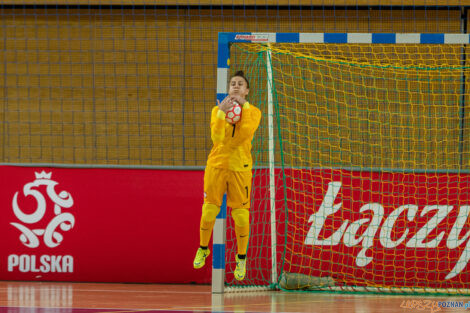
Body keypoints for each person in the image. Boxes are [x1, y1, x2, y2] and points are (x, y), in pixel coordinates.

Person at [193, 70, 262, 281]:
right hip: (216, 166)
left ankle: (241, 258)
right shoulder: (217, 110)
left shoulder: (254, 112)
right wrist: (222, 113)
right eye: (233, 83)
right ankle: (203, 248)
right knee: (209, 211)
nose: (235, 86)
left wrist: (242, 109)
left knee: (240, 214)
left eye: (240, 84)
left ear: (247, 90)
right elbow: (217, 137)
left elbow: (243, 135)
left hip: (240, 168)